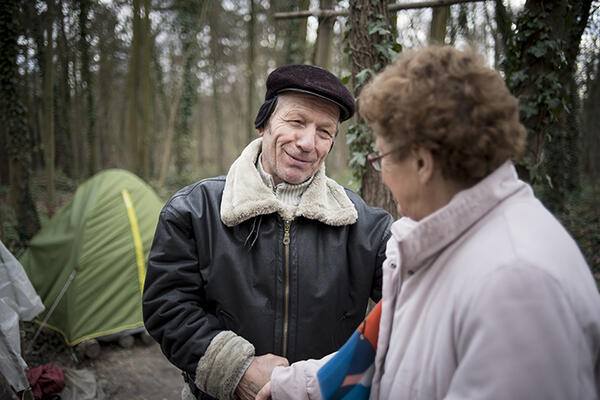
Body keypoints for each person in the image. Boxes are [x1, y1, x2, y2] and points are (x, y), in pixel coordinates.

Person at [257, 45, 600, 400]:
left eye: (382, 158)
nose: (383, 175)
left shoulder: (516, 285)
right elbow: (388, 359)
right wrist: (292, 387)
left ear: (422, 163)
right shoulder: (443, 246)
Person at [142, 64, 393, 400]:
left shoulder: (367, 226)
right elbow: (167, 306)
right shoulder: (193, 209)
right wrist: (236, 368)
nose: (308, 143)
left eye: (324, 131)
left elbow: (413, 300)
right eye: (296, 122)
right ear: (263, 123)